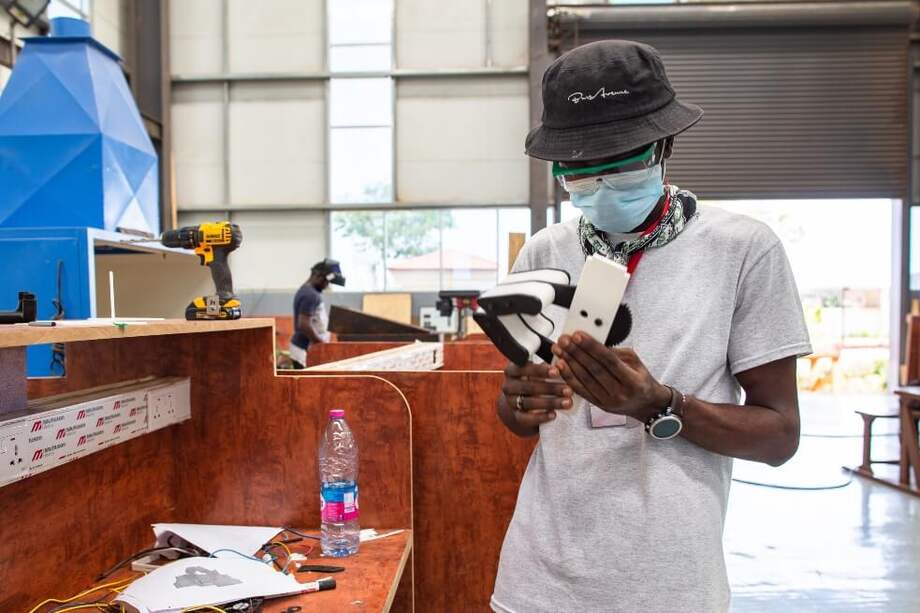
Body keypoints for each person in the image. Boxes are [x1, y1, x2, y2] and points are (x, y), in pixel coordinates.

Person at [490, 40, 812, 613]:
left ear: (664, 144)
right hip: (539, 584)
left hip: (670, 586)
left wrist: (659, 405)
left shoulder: (741, 250)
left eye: (621, 163)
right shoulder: (546, 250)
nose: (602, 183)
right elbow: (518, 419)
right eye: (582, 173)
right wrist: (518, 399)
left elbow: (779, 436)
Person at [289, 258, 345, 368]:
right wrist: (321, 344)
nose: (326, 285)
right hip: (305, 351)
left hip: (304, 349)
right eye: (326, 281)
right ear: (317, 276)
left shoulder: (306, 291)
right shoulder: (311, 295)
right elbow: (304, 325)